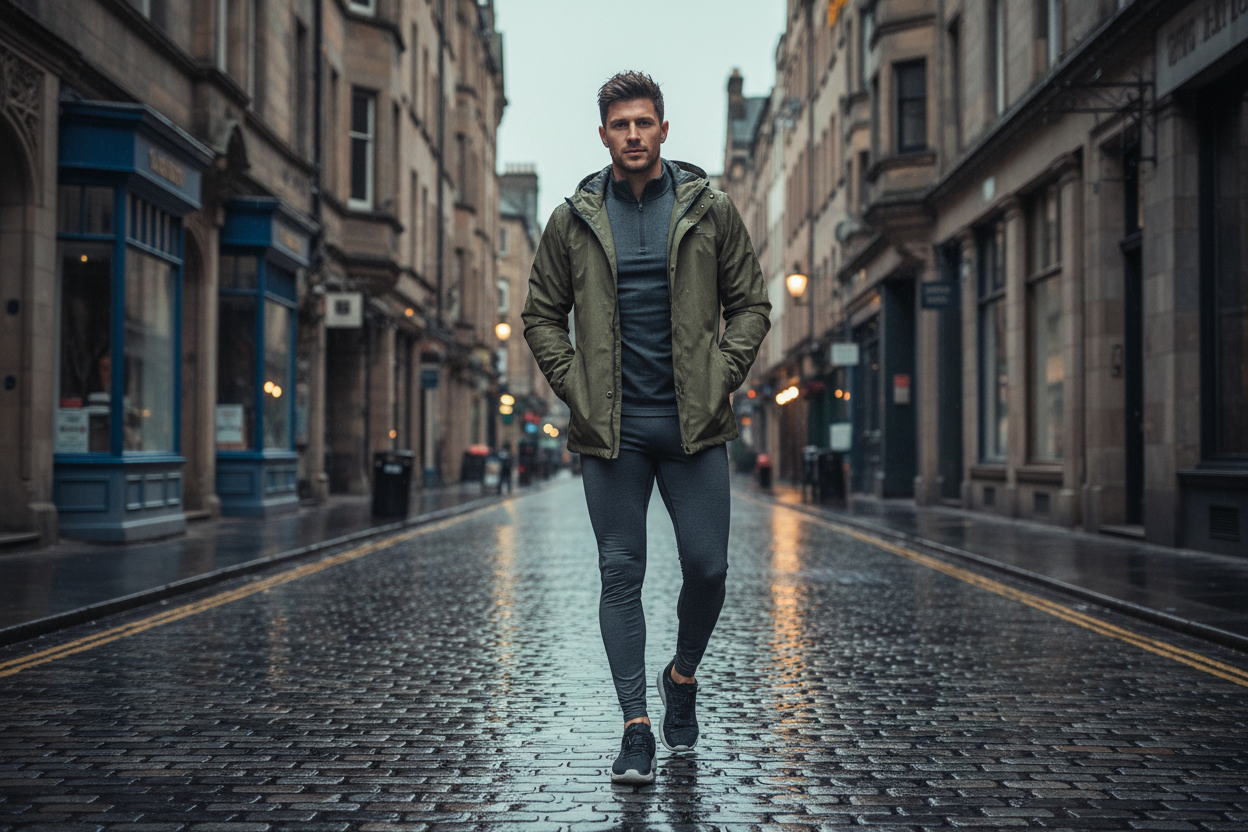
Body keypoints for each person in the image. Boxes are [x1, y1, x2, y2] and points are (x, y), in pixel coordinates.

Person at [522, 71, 770, 784]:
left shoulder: (710, 209)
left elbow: (751, 304)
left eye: (644, 122)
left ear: (665, 129)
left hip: (695, 427)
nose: (633, 134)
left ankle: (682, 676)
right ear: (603, 135)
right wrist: (576, 386)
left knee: (709, 568)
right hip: (614, 434)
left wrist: (721, 373)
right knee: (620, 573)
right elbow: (541, 315)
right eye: (620, 125)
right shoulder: (573, 220)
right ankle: (635, 727)